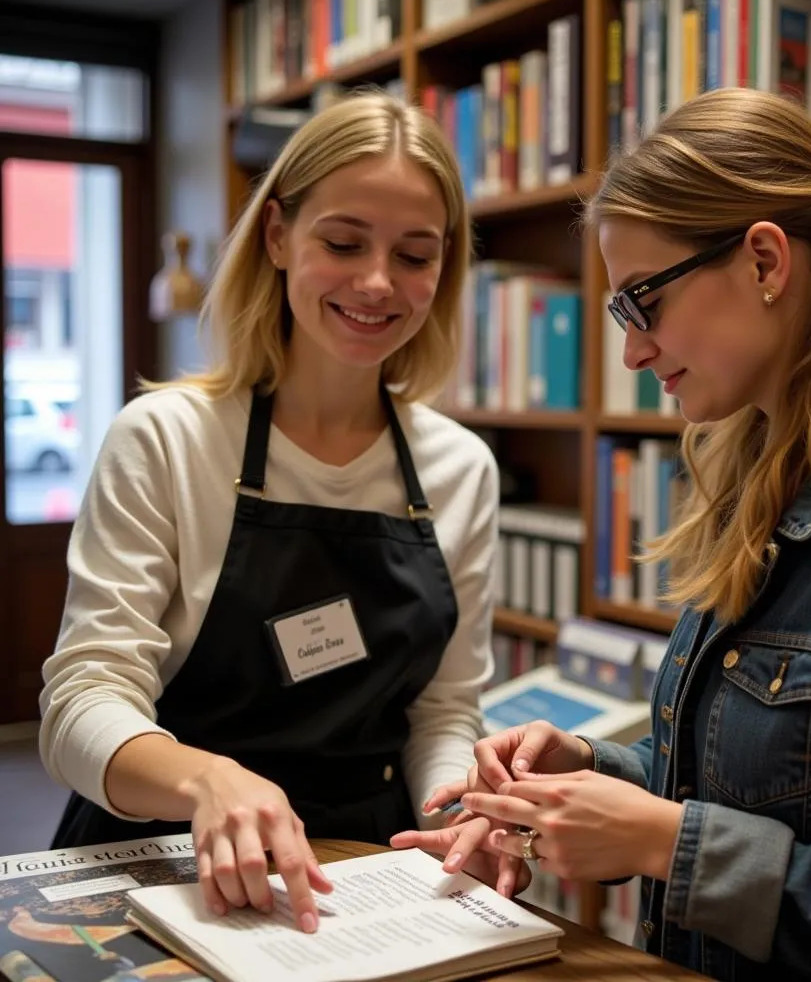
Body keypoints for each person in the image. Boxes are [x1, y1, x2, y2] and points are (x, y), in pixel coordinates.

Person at [392, 87, 811, 981]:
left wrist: (666, 841)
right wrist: (586, 770)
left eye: (642, 301)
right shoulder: (762, 472)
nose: (633, 353)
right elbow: (766, 786)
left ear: (766, 260)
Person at [37, 91, 526, 934]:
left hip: (362, 877)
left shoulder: (460, 468)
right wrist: (205, 779)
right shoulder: (168, 439)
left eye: (415, 255)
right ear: (275, 236)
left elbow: (443, 710)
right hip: (163, 859)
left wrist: (456, 819)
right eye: (342, 242)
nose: (378, 282)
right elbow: (82, 699)